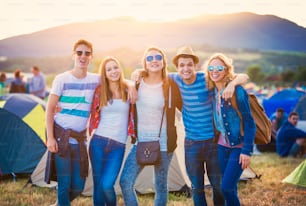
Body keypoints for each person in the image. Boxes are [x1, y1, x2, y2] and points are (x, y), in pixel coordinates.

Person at [119, 46, 182, 206]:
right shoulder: (137, 83)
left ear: (163, 62)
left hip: (164, 144)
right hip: (140, 142)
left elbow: (184, 106)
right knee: (125, 182)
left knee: (160, 185)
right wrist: (131, 82)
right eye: (149, 58)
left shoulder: (171, 85)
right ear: (144, 63)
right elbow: (118, 81)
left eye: (158, 57)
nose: (154, 60)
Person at [45, 39, 100, 206]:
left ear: (91, 57)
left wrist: (132, 84)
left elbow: (117, 80)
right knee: (64, 184)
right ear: (73, 55)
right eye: (79, 53)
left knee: (78, 185)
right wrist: (51, 138)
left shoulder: (95, 79)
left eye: (87, 53)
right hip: (62, 138)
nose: (83, 56)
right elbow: (49, 109)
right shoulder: (61, 79)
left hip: (80, 140)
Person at [204, 53, 256, 206]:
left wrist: (247, 151)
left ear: (226, 70)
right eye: (211, 68)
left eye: (219, 67)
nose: (215, 71)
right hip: (221, 147)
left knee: (226, 188)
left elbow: (249, 122)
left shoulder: (237, 92)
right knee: (228, 186)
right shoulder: (212, 92)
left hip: (238, 146)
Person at [88, 56, 135, 206]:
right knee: (98, 185)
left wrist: (131, 84)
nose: (113, 71)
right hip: (98, 142)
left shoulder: (128, 90)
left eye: (115, 67)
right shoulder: (99, 91)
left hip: (118, 146)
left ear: (120, 69)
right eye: (109, 69)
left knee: (107, 185)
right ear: (105, 73)